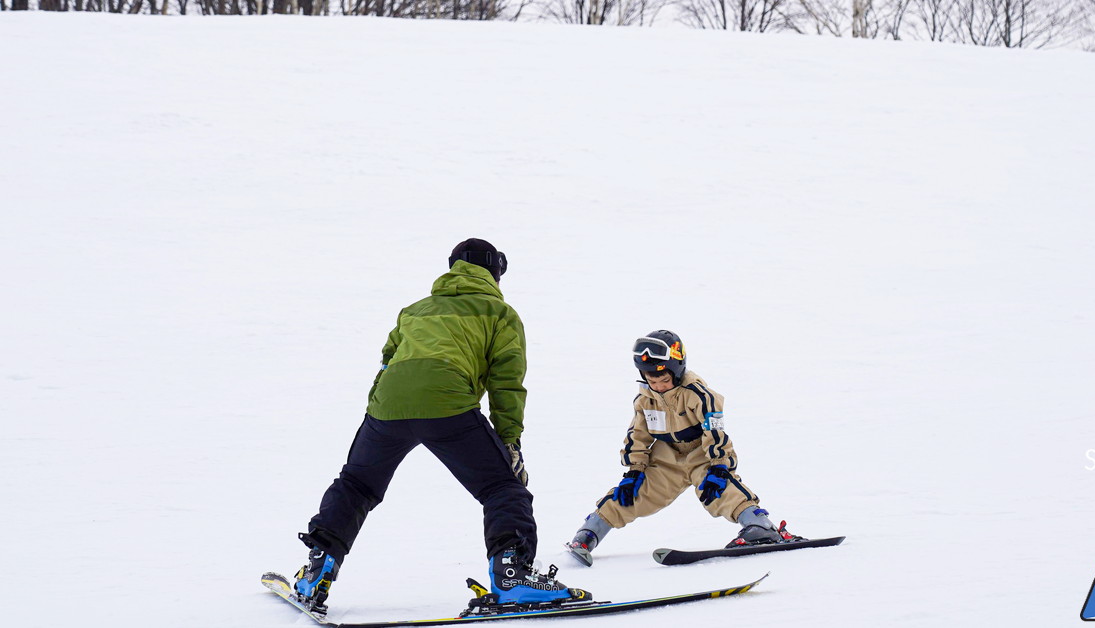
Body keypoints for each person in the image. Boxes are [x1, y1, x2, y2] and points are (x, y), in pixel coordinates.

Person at [293, 239, 588, 612]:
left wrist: (380, 408)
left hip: (387, 406)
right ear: (495, 272)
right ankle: (512, 578)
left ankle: (316, 572)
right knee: (502, 487)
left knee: (356, 485)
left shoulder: (415, 310)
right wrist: (510, 442)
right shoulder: (499, 313)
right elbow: (506, 381)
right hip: (448, 403)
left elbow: (388, 360)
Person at [565, 330, 799, 565]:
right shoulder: (645, 400)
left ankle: (759, 525)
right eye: (652, 381)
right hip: (667, 459)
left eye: (664, 380)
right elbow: (638, 434)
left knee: (719, 489)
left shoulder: (699, 395)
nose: (658, 387)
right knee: (631, 495)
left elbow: (714, 430)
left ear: (676, 372)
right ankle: (588, 534)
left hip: (701, 454)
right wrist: (635, 470)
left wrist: (718, 465)